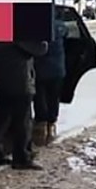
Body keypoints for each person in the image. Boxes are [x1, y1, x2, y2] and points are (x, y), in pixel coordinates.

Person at [0, 39, 49, 170]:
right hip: (20, 80)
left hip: (0, 78)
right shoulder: (21, 33)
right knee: (23, 120)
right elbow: (40, 49)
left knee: (0, 117)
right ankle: (22, 157)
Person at [32, 13, 66, 145]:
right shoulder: (60, 27)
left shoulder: (36, 27)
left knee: (40, 97)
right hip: (58, 71)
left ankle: (41, 123)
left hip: (41, 70)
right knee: (54, 97)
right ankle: (51, 123)